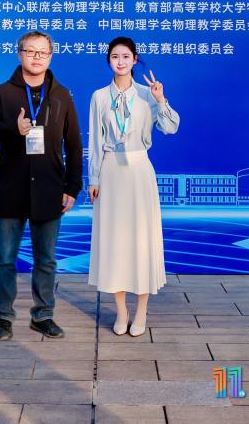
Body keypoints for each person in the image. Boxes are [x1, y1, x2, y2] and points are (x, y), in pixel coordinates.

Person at [0, 31, 83, 341]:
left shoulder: (62, 96)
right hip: (11, 190)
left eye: (43, 52)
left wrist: (72, 187)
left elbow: (74, 145)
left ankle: (43, 315)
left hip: (49, 189)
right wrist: (13, 128)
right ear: (19, 53)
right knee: (4, 259)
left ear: (51, 56)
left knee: (46, 259)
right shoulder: (2, 93)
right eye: (31, 51)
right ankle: (4, 317)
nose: (37, 57)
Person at [87, 37, 179, 337]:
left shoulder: (147, 94)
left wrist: (161, 100)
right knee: (114, 242)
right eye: (115, 56)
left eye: (126, 56)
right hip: (110, 171)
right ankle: (121, 310)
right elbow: (95, 141)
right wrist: (94, 178)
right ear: (108, 61)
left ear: (135, 60)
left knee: (141, 241)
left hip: (139, 171)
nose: (121, 61)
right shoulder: (99, 97)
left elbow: (170, 128)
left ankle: (141, 311)